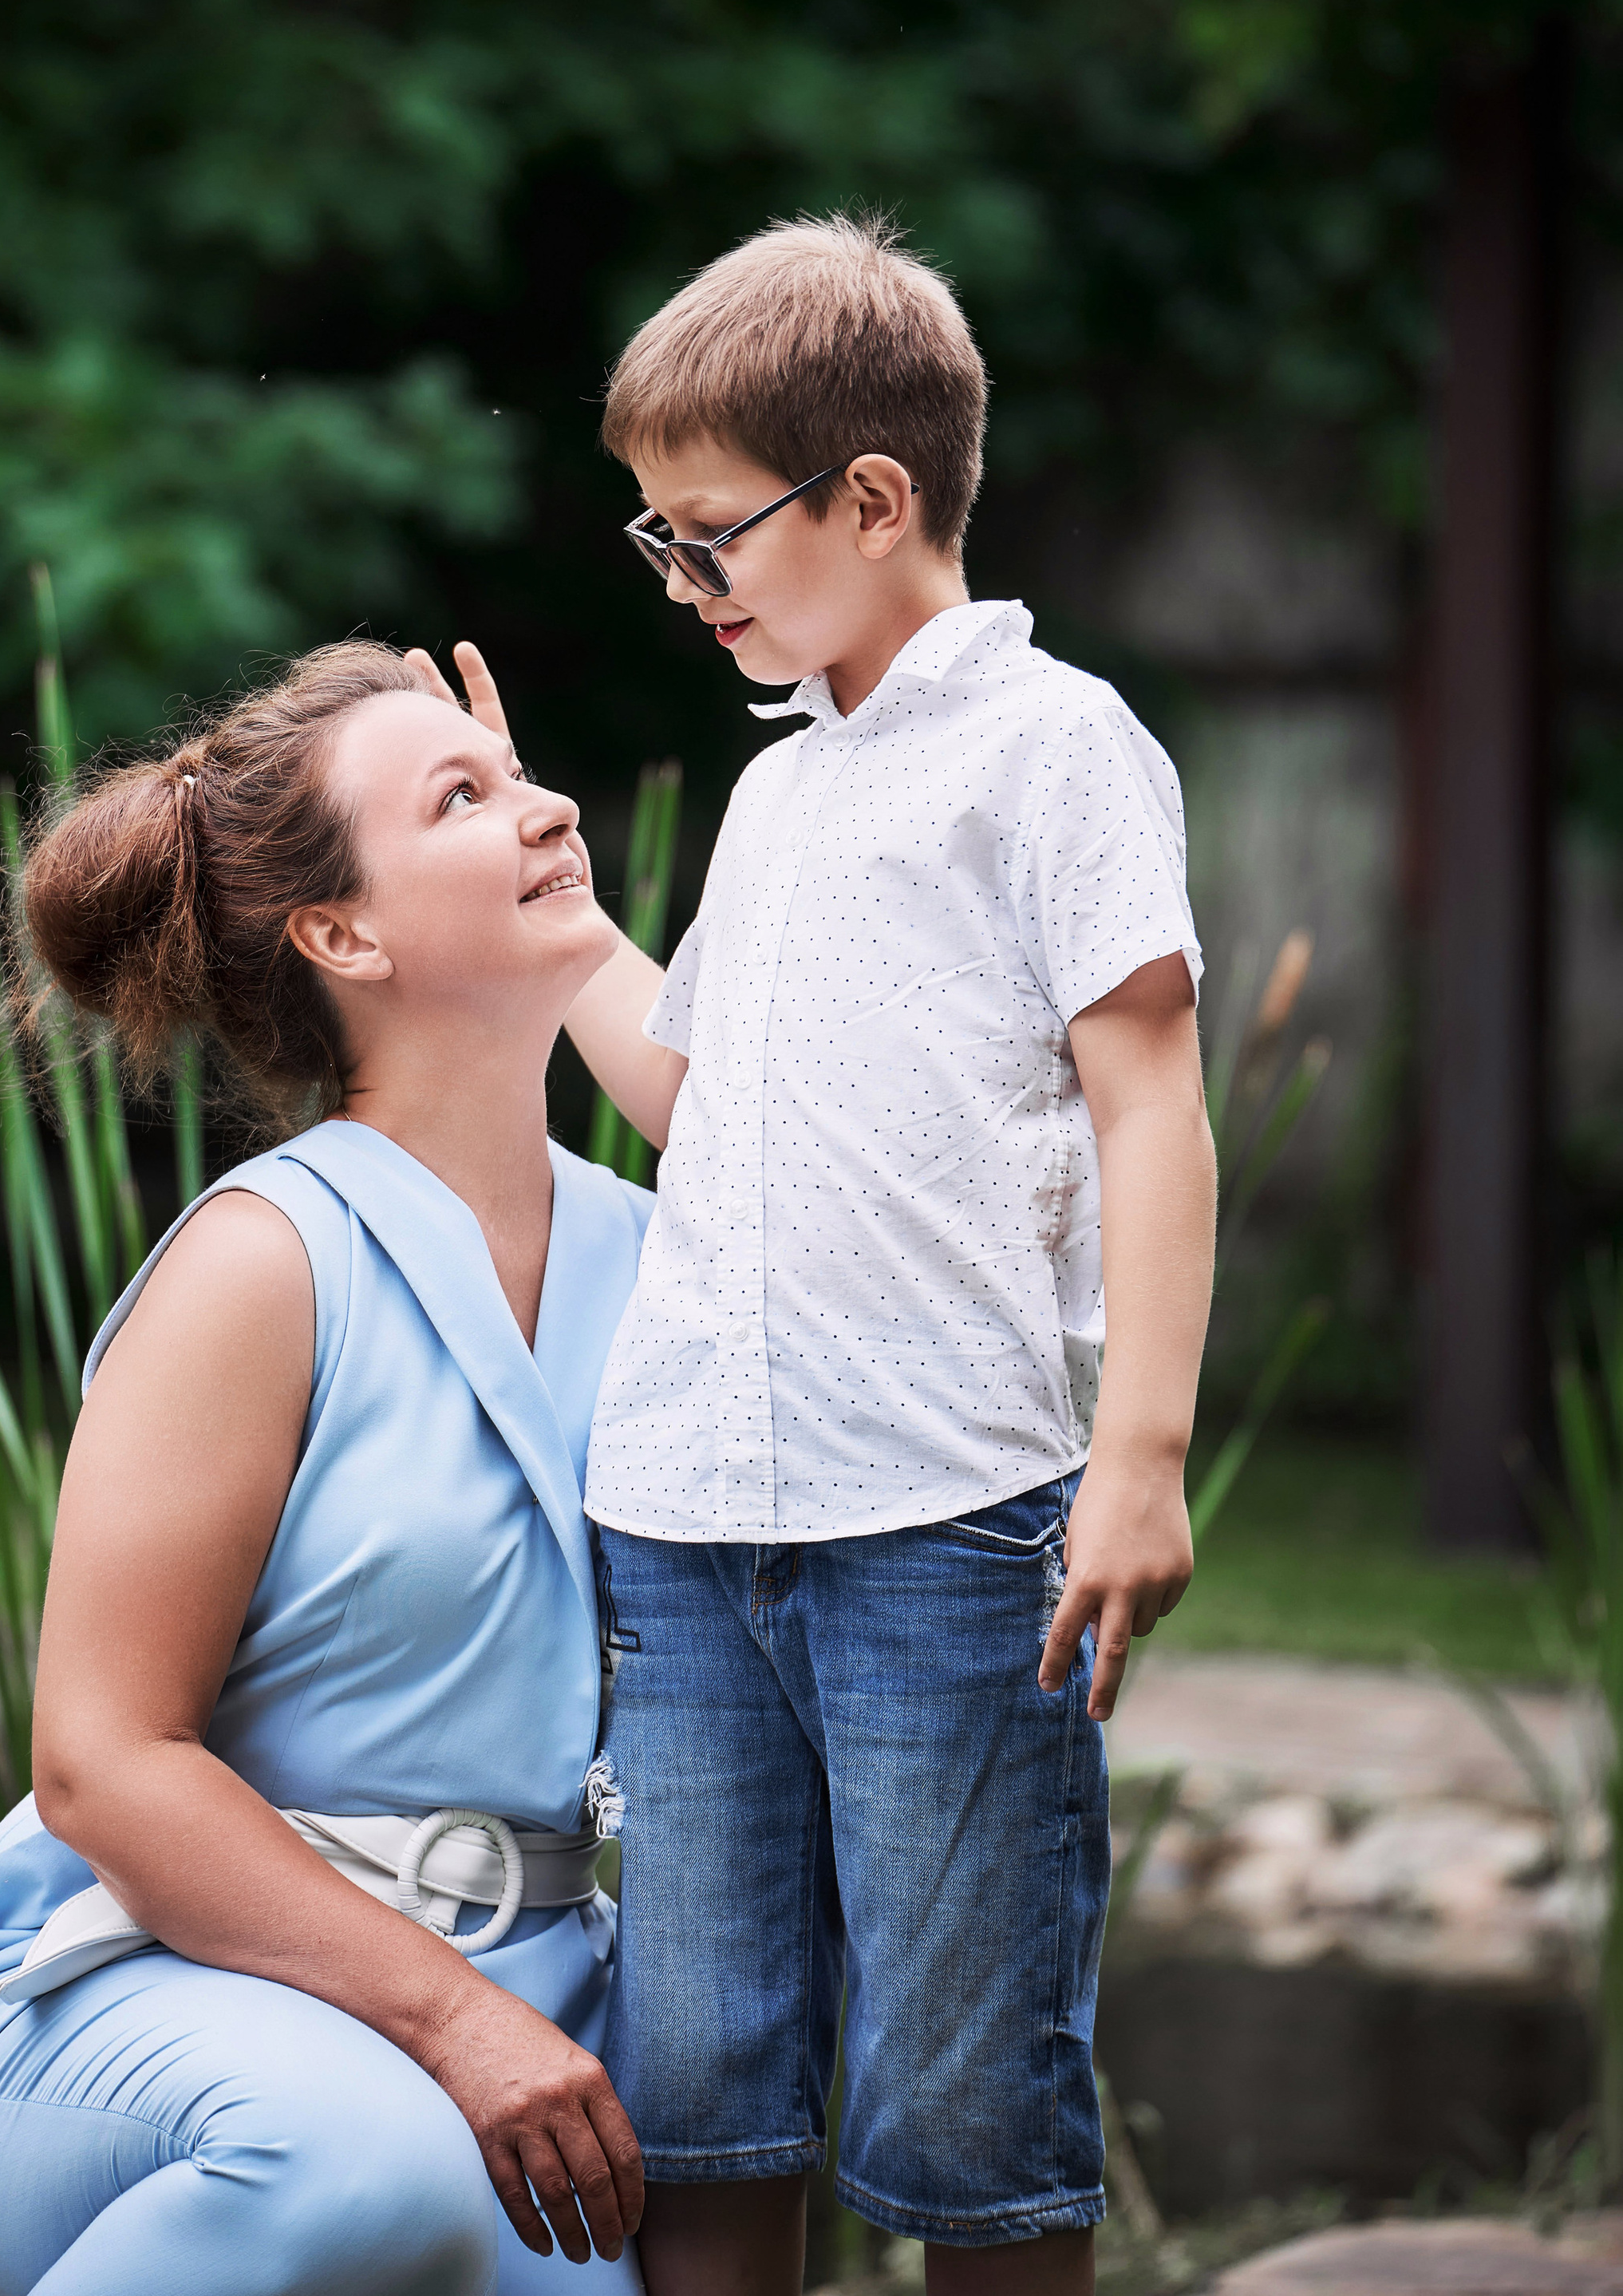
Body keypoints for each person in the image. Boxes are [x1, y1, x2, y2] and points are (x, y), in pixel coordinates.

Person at [417, 213, 1216, 2296]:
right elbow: (694, 1105)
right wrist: (574, 913)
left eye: (709, 534)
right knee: (701, 2095)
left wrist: (1137, 1450)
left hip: (945, 1531)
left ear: (872, 498)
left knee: (967, 2110)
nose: (685, 581)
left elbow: (1153, 1104)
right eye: (659, 543)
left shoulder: (1057, 752)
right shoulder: (784, 797)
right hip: (684, 1530)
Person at [0, 641, 650, 2296]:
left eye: (523, 780)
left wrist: (524, 860)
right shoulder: (264, 1263)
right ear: (341, 932)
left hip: (533, 2026)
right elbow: (102, 1758)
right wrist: (452, 2016)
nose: (547, 809)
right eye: (468, 794)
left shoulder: (663, 1260)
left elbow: (767, 1140)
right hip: (125, 1995)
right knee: (357, 2160)